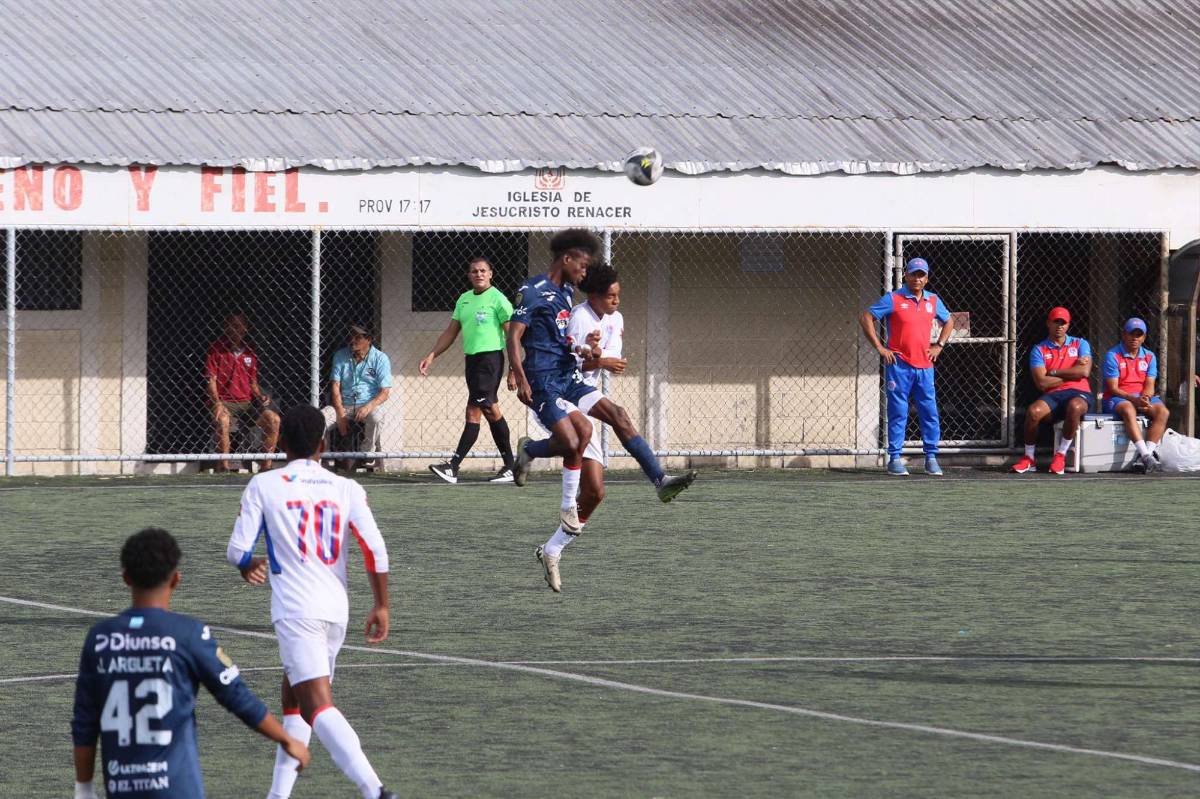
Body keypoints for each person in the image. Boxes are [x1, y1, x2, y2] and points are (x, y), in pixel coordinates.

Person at [226, 405, 396, 799]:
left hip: (296, 612)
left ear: (280, 441)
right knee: (295, 700)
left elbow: (236, 550)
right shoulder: (346, 488)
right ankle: (277, 795)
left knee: (318, 705)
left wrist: (249, 564)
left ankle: (376, 791)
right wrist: (381, 605)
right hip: (336, 611)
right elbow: (375, 551)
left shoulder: (264, 485)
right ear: (323, 443)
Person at [71, 528, 310, 799]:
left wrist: (84, 789)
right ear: (176, 579)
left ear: (126, 578)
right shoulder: (187, 634)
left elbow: (85, 722)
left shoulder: (100, 638)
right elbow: (237, 697)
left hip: (122, 790)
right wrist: (286, 739)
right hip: (177, 789)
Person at [507, 231, 695, 532]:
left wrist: (588, 348)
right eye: (582, 264)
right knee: (572, 442)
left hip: (570, 377)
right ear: (566, 259)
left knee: (617, 415)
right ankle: (535, 456)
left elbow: (563, 342)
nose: (585, 272)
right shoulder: (532, 290)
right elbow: (513, 335)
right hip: (544, 381)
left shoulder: (567, 293)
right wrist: (518, 374)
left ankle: (660, 480)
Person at [536, 261, 626, 592]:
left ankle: (551, 550)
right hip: (566, 396)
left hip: (587, 397)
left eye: (619, 295)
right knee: (577, 437)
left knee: (597, 492)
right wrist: (596, 357)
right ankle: (531, 457)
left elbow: (602, 359)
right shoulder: (577, 316)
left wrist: (603, 357)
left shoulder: (615, 319)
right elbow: (574, 362)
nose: (617, 300)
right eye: (611, 295)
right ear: (595, 295)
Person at [419, 256, 517, 484]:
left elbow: (512, 336)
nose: (479, 274)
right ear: (469, 275)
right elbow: (451, 332)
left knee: (474, 409)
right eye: (474, 271)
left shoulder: (498, 299)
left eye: (483, 271)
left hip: (490, 360)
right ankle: (510, 466)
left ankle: (453, 466)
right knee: (490, 411)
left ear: (491, 274)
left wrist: (513, 368)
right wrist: (431, 355)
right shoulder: (463, 300)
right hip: (472, 362)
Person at [859, 257, 955, 476]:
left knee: (929, 411)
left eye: (921, 275)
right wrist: (881, 348)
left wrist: (939, 345)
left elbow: (948, 321)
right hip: (899, 365)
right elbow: (866, 317)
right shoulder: (893, 298)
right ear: (906, 276)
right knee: (898, 412)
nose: (917, 279)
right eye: (913, 274)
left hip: (925, 366)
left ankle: (931, 458)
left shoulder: (933, 300)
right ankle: (894, 458)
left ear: (927, 277)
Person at [1011, 307, 1094, 475]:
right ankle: (1029, 459)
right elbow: (1042, 382)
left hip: (1080, 393)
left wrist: (1055, 372)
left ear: (1068, 325)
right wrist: (1072, 373)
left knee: (1075, 407)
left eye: (1063, 323)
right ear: (1048, 323)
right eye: (1056, 322)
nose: (1059, 326)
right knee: (1034, 412)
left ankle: (1061, 455)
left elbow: (1084, 372)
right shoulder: (1039, 349)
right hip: (1054, 395)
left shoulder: (1080, 343)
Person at [205, 311, 280, 472]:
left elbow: (253, 383)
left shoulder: (250, 352)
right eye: (232, 325)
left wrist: (260, 395)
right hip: (224, 402)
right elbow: (210, 381)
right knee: (223, 420)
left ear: (245, 329)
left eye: (240, 326)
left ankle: (266, 468)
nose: (236, 329)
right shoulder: (216, 349)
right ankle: (223, 468)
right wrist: (217, 403)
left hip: (245, 405)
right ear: (226, 327)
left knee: (273, 419)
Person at [1101, 317, 1168, 473]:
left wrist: (1145, 398)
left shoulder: (1150, 356)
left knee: (1163, 411)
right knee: (1129, 409)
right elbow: (1113, 388)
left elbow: (1150, 385)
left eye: (1139, 335)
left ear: (1144, 337)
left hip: (1139, 397)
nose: (1134, 338)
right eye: (1131, 334)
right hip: (1117, 398)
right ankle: (1145, 455)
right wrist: (1134, 400)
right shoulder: (1113, 355)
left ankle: (1145, 455)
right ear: (1124, 334)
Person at [321, 324, 392, 471]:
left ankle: (367, 454)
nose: (352, 340)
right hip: (343, 404)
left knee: (377, 417)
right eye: (351, 336)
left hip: (367, 404)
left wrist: (368, 406)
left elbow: (385, 392)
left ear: (369, 339)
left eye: (358, 337)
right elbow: (335, 386)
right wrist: (340, 413)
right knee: (320, 418)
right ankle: (324, 457)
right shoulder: (341, 355)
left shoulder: (380, 358)